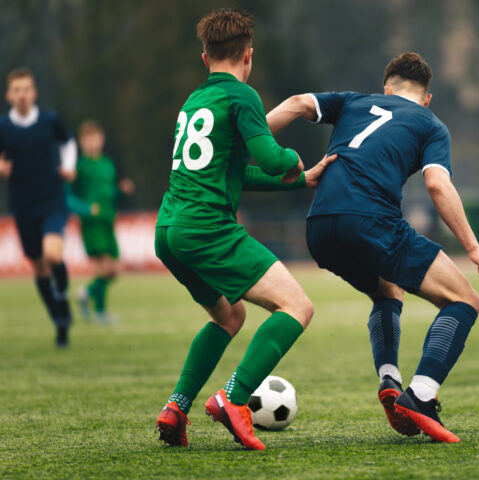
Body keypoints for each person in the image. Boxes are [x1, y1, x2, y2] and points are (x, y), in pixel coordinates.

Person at [266, 52, 479, 443]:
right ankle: (421, 397)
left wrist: (249, 143)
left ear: (387, 88)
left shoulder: (354, 100)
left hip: (320, 227)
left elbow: (297, 103)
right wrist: (474, 249)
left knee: (387, 289)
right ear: (427, 98)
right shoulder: (430, 123)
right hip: (371, 222)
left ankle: (389, 379)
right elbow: (438, 185)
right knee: (464, 301)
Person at [154, 8, 335, 450]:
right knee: (297, 306)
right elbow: (271, 158)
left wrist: (300, 179)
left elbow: (232, 173)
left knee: (229, 316)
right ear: (248, 56)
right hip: (207, 227)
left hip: (169, 230)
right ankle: (233, 398)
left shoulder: (195, 101)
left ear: (205, 58)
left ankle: (177, 406)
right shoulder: (241, 96)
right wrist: (292, 162)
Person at [0, 68, 77, 347]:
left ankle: (62, 295)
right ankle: (59, 318)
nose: (22, 95)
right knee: (39, 267)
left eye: (27, 89)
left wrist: (68, 167)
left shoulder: (50, 120)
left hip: (52, 199)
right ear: (9, 95)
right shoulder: (3, 126)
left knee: (53, 255)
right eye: (16, 90)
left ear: (34, 93)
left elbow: (68, 142)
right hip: (23, 204)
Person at [67, 120, 135, 323]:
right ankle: (99, 310)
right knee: (105, 267)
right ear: (81, 142)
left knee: (114, 269)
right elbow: (68, 197)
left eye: (95, 137)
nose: (92, 142)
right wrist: (86, 209)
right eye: (87, 139)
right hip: (92, 223)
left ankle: (88, 296)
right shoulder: (79, 167)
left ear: (102, 139)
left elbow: (108, 193)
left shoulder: (107, 164)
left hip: (108, 221)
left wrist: (120, 190)